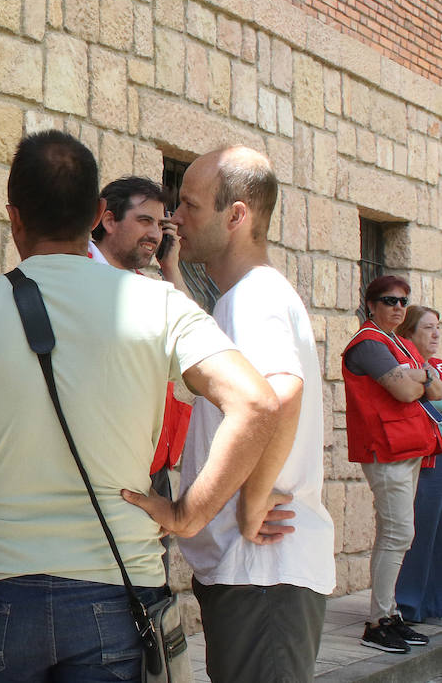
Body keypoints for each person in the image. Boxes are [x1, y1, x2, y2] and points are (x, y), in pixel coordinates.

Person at [0, 130, 279, 681]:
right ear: (99, 213)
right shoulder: (161, 305)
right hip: (119, 584)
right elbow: (257, 404)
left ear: (13, 216)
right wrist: (188, 513)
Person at [165, 146, 334, 681]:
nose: (175, 218)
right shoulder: (242, 296)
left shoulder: (255, 296)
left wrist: (250, 501)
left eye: (189, 205)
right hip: (253, 576)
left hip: (265, 573)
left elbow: (281, 394)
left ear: (235, 215)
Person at [343, 274, 442, 652]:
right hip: (386, 449)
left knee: (398, 533)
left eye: (403, 301)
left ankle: (389, 614)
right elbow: (404, 389)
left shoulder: (397, 343)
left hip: (407, 447)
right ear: (372, 304)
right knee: (398, 533)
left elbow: (433, 387)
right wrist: (418, 376)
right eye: (389, 300)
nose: (398, 307)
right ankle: (377, 622)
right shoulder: (368, 343)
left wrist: (417, 375)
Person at [93, 176, 194, 547]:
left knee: (152, 593)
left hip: (152, 470)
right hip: (106, 471)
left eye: (160, 223)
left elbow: (193, 344)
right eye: (145, 221)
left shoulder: (150, 289)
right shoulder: (79, 280)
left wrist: (171, 267)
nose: (154, 233)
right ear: (108, 220)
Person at [394, 305, 442, 624]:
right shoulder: (403, 365)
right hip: (423, 458)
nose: (436, 333)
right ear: (409, 333)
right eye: (427, 328)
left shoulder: (437, 366)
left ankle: (433, 604)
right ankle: (408, 604)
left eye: (438, 327)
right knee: (419, 531)